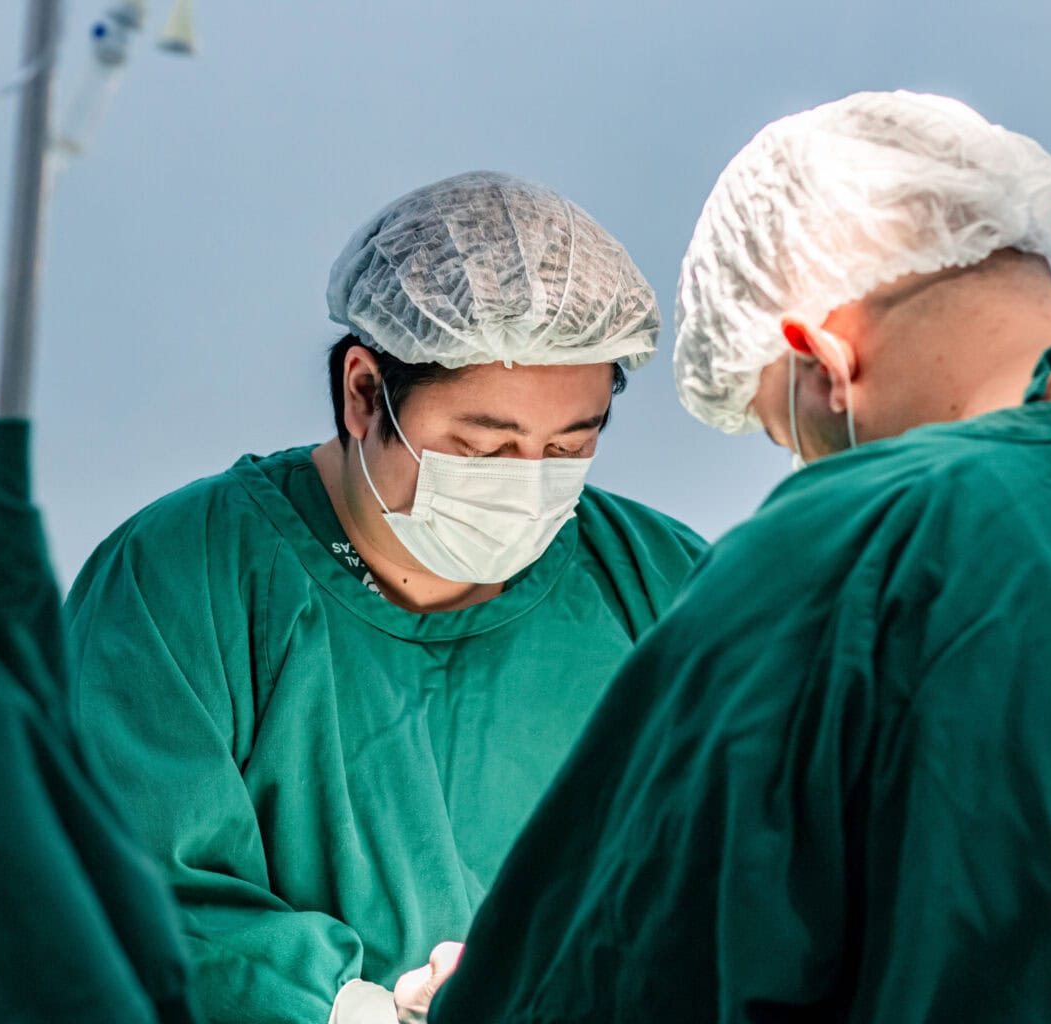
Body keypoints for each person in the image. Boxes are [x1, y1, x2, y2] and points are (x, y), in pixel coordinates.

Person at [429, 92, 1051, 1022]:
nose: (810, 470)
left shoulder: (850, 545)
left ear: (823, 365)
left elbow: (606, 978)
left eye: (789, 436)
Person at [62, 170, 707, 1024]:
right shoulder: (182, 579)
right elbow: (126, 894)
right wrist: (368, 1011)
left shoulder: (663, 587)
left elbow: (748, 864)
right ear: (365, 392)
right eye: (485, 450)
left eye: (567, 446)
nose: (530, 484)